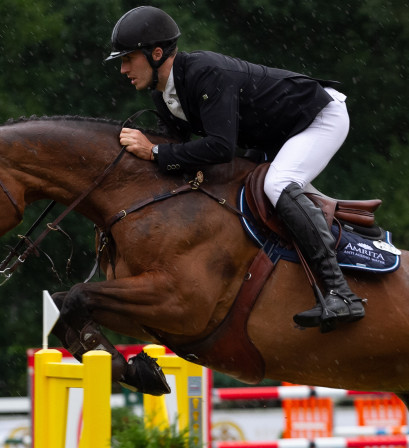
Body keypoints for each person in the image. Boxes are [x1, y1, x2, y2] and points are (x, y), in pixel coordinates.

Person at [107, 6, 365, 331]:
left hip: (317, 116)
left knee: (277, 184)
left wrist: (155, 151)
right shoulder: (165, 95)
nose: (122, 68)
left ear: (156, 53)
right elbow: (183, 156)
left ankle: (341, 294)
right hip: (275, 132)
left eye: (128, 58)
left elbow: (220, 148)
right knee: (243, 191)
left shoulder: (204, 73)